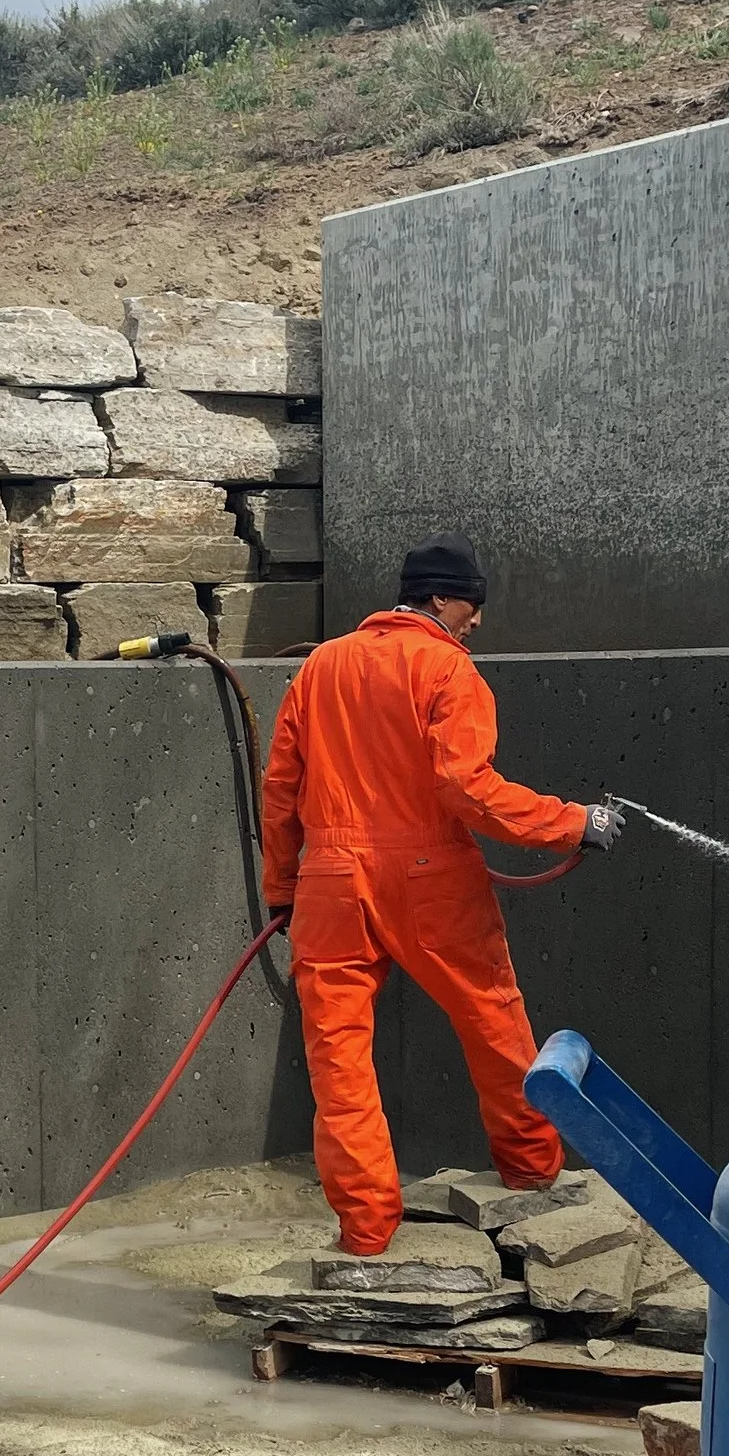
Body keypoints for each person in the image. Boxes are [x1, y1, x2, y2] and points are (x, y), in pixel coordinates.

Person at [259, 535, 624, 1258]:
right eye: (473, 606)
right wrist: (574, 822)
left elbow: (280, 790)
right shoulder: (448, 670)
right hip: (430, 878)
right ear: (438, 600)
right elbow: (468, 790)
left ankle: (364, 1231)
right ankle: (530, 1175)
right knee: (492, 1021)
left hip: (329, 885)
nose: (478, 621)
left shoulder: (320, 667)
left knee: (338, 1056)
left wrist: (283, 889)